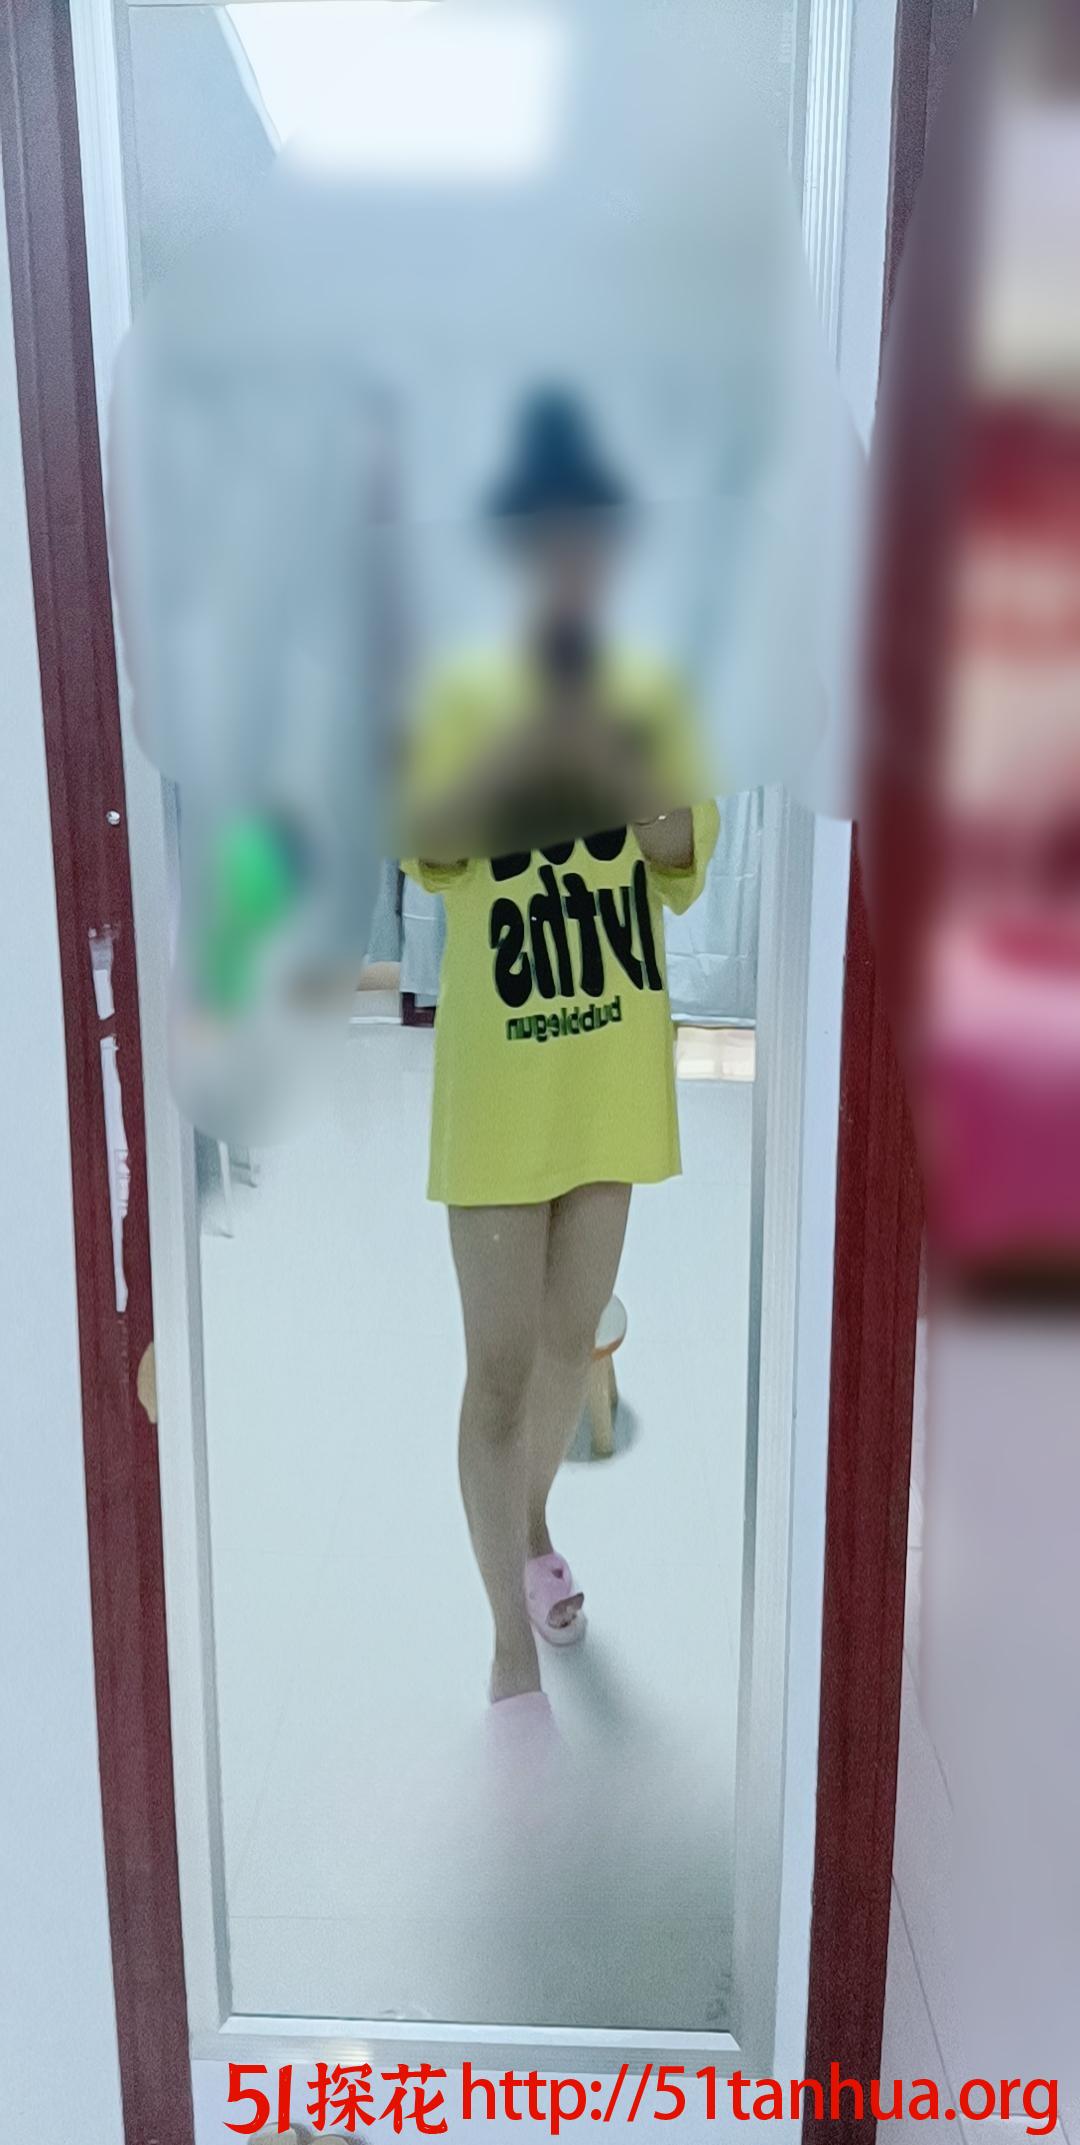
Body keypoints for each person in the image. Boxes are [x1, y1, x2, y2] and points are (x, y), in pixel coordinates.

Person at [404, 391, 720, 1707]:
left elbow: (682, 857)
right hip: (500, 1086)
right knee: (494, 1372)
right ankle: (505, 1636)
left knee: (564, 1348)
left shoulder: (650, 689)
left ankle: (532, 1525)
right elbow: (429, 845)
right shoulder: (461, 688)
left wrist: (635, 781)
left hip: (607, 1079)